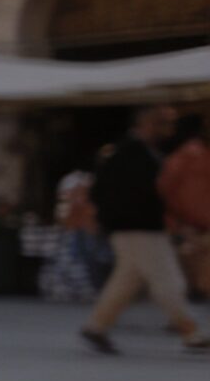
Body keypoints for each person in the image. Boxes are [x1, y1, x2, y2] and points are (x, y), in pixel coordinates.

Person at [80, 105, 209, 353]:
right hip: (138, 228)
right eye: (162, 123)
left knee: (126, 281)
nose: (168, 129)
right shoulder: (129, 155)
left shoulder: (144, 153)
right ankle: (190, 332)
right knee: (168, 280)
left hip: (135, 227)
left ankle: (95, 327)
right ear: (146, 125)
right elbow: (134, 194)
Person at [159, 113, 210, 298]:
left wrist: (174, 219)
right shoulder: (202, 156)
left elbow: (165, 189)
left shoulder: (176, 159)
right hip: (200, 219)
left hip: (184, 219)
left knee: (189, 255)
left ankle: (195, 289)